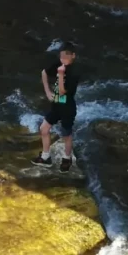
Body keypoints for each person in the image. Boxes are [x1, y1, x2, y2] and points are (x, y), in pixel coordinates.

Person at [33, 43, 79, 172]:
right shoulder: (58, 65)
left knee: (66, 135)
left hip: (68, 107)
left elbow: (63, 91)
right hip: (56, 105)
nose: (63, 60)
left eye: (66, 57)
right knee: (44, 128)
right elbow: (44, 72)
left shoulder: (74, 72)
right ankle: (46, 156)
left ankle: (67, 158)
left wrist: (59, 75)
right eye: (61, 57)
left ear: (73, 56)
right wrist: (48, 92)